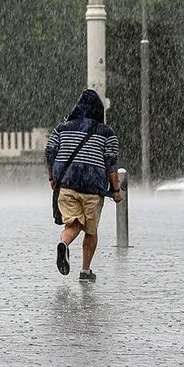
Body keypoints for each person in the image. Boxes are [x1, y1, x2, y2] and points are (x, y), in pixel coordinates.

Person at [45, 89, 123, 282]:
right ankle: (85, 271)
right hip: (93, 189)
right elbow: (111, 164)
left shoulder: (61, 128)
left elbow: (50, 153)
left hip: (67, 185)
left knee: (74, 224)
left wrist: (52, 178)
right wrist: (116, 190)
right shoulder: (107, 133)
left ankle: (64, 243)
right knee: (90, 230)